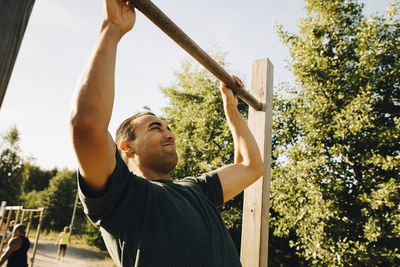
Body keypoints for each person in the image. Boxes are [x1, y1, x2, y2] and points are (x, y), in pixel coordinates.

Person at [69, 0, 264, 266]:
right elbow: (87, 126)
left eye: (169, 128)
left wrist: (231, 108)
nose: (170, 134)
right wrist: (111, 29)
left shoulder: (198, 189)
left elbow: (251, 166)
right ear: (126, 147)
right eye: (155, 128)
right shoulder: (123, 194)